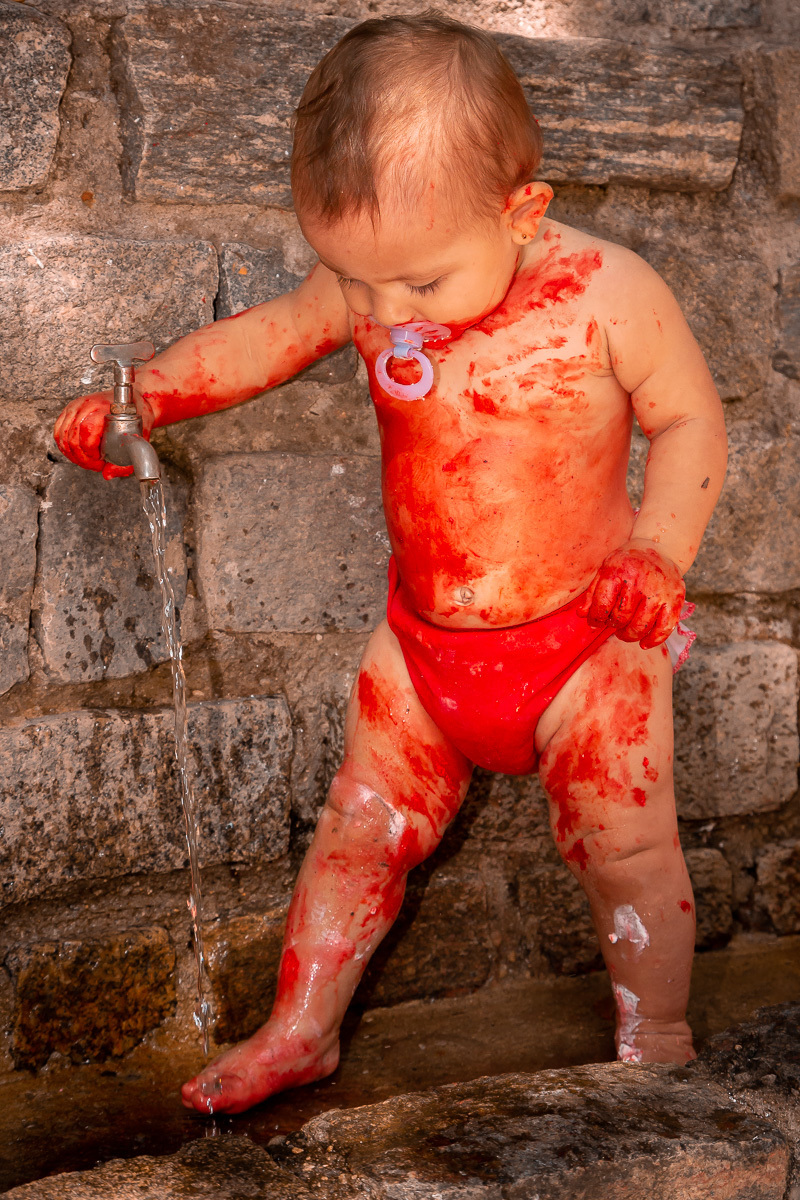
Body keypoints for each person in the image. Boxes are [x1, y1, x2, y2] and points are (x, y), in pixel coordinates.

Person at [54, 11, 727, 1115]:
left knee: (626, 846)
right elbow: (262, 340)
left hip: (583, 642)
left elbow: (690, 423)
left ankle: (653, 1031)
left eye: (413, 284)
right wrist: (148, 396)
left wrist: (659, 550)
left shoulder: (607, 297)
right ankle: (300, 1029)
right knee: (359, 830)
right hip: (423, 647)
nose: (381, 315)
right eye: (353, 283)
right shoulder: (376, 283)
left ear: (521, 212)